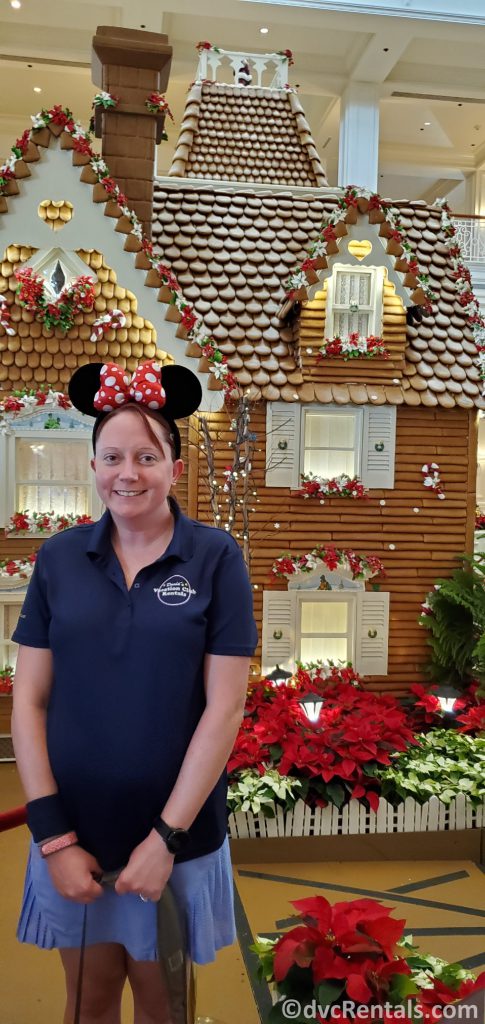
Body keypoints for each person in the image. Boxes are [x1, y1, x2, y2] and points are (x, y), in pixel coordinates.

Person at [11, 359, 258, 1024]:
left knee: (162, 1005)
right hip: (76, 838)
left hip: (173, 843)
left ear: (173, 466)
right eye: (112, 455)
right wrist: (54, 837)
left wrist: (165, 840)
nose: (128, 472)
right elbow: (29, 702)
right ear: (92, 465)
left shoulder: (215, 558)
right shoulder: (59, 560)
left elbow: (223, 707)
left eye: (146, 456)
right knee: (87, 1001)